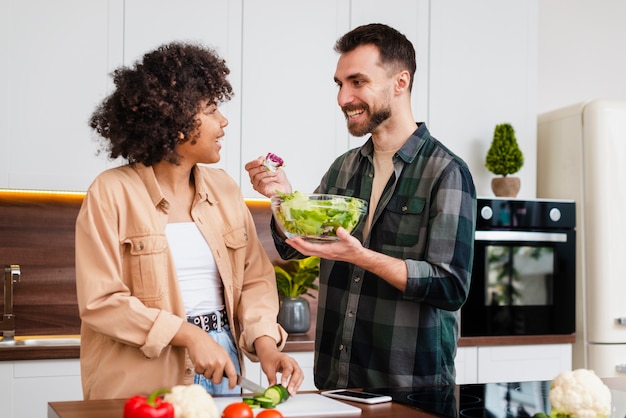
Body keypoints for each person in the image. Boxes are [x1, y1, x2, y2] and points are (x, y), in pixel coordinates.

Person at [246, 23, 476, 389]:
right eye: (339, 84)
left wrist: (361, 256)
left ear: (400, 82)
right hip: (336, 380)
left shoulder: (446, 171)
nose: (342, 98)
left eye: (357, 82)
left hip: (409, 387)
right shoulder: (344, 167)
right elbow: (292, 245)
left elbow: (450, 287)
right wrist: (283, 198)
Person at [75, 42, 303, 400]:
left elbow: (255, 280)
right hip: (146, 374)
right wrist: (188, 335)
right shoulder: (111, 193)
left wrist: (267, 346)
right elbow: (102, 301)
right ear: (176, 122)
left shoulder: (225, 188)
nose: (224, 121)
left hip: (222, 361)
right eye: (212, 110)